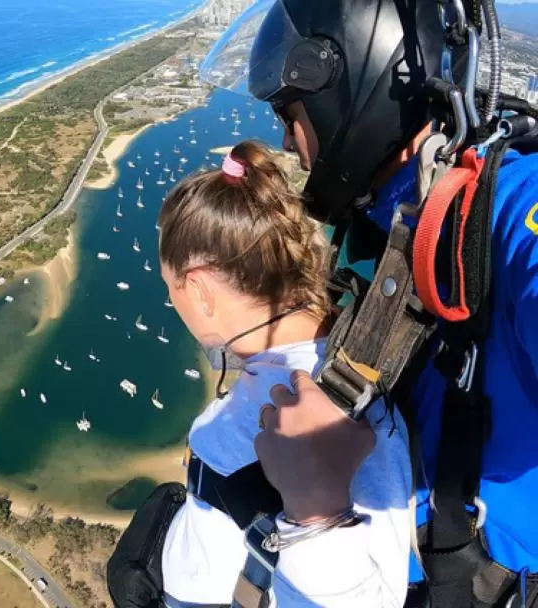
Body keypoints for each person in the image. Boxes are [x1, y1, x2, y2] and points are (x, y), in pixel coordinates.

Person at [200, 0, 538, 604]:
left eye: (288, 112)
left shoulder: (507, 208)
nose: (285, 138)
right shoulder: (384, 220)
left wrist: (316, 503)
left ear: (346, 90)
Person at [154, 140, 412, 607]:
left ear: (199, 290)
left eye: (169, 286)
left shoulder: (277, 422)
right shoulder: (350, 373)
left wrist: (316, 514)